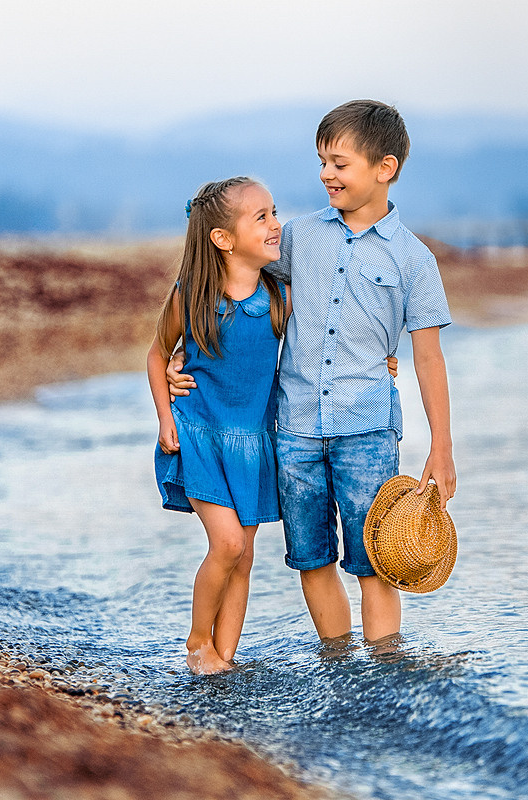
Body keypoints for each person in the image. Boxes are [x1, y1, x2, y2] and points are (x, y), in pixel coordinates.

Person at [169, 100, 457, 645]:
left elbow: (429, 358)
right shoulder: (299, 237)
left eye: (339, 163)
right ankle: (338, 668)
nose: (326, 173)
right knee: (311, 559)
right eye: (322, 161)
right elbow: (231, 274)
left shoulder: (414, 260)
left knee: (376, 562)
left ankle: (380, 679)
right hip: (295, 428)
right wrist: (183, 350)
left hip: (367, 428)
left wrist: (441, 449)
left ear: (385, 168)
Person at [146, 176, 287, 675]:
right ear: (223, 238)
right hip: (200, 435)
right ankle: (197, 641)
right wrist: (165, 417)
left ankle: (223, 661)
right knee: (226, 544)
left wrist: (378, 360)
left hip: (252, 444)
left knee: (243, 556)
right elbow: (158, 353)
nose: (275, 224)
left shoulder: (279, 297)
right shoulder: (193, 296)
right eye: (261, 217)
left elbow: (322, 345)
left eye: (274, 212)